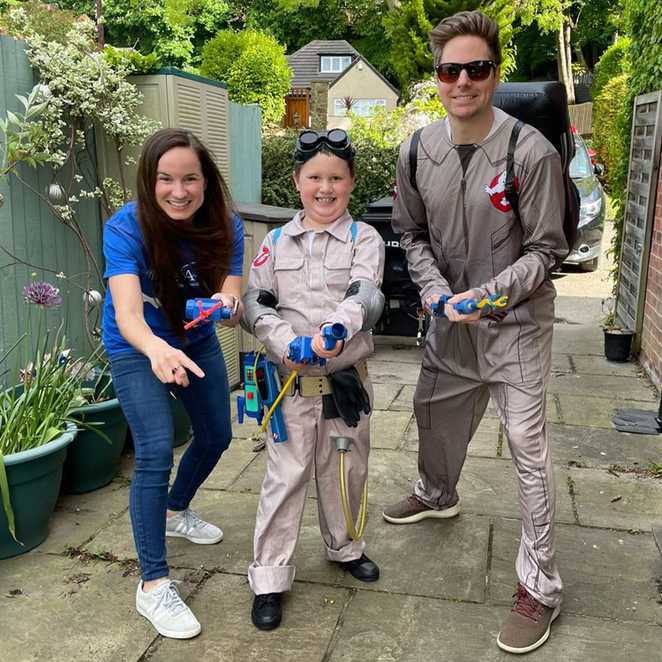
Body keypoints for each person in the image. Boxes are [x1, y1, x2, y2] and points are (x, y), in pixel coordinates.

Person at [381, 11, 568, 655]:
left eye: (476, 69)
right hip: (449, 321)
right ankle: (437, 493)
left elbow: (548, 249)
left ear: (495, 74)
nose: (463, 80)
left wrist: (488, 295)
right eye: (449, 70)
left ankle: (540, 587)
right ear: (436, 77)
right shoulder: (417, 149)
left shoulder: (530, 152)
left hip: (514, 324)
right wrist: (435, 291)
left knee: (526, 447)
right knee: (431, 413)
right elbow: (410, 233)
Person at [102, 128, 244, 639]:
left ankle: (175, 508)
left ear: (206, 183)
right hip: (137, 346)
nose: (178, 191)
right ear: (150, 180)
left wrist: (228, 304)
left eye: (190, 179)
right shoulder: (126, 229)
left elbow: (231, 287)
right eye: (166, 179)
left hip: (197, 339)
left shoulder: (226, 224)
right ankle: (153, 586)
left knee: (217, 435)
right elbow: (127, 313)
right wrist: (158, 348)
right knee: (157, 448)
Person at [242, 128, 385, 631]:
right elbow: (254, 304)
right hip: (290, 389)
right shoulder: (276, 242)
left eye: (336, 178)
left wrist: (337, 328)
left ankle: (345, 548)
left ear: (350, 183)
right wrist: (285, 341)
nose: (325, 188)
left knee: (346, 472)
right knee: (285, 480)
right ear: (297, 181)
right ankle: (269, 579)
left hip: (344, 388)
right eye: (314, 177)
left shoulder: (364, 238)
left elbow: (367, 294)